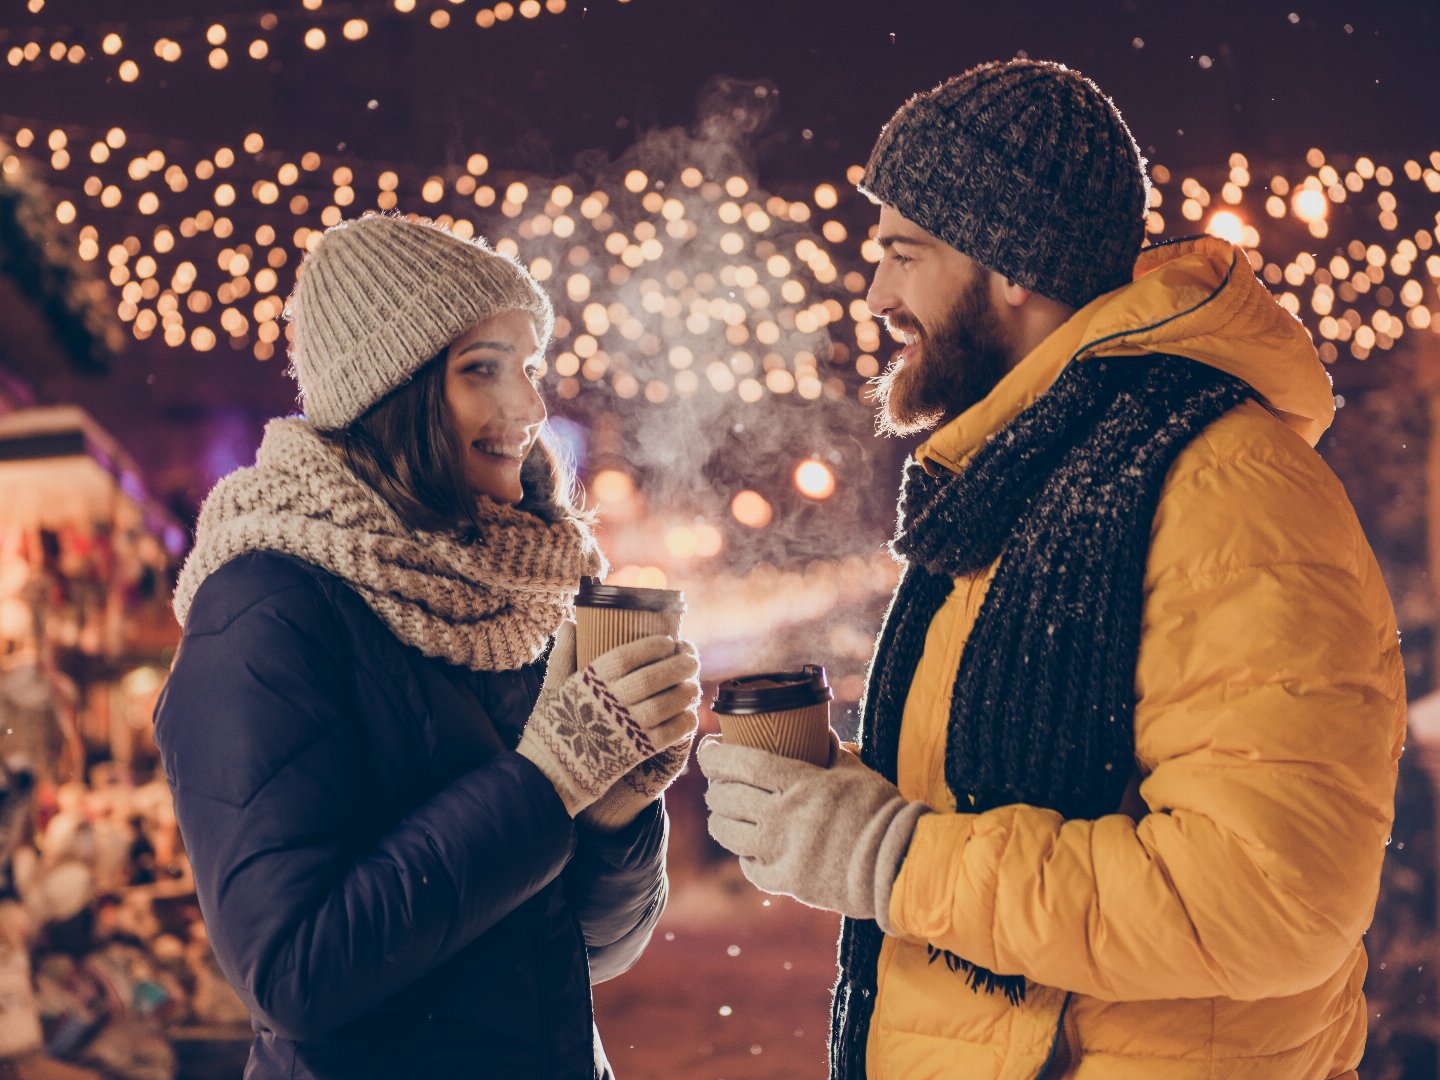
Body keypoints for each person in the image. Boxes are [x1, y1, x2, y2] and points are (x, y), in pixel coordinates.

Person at [699, 59, 1405, 1079]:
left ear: (1010, 264)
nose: (878, 293)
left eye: (905, 253)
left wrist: (891, 857)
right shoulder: (1018, 481)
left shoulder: (1225, 489)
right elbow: (994, 814)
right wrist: (836, 810)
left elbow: (1268, 899)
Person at [153, 214, 701, 1080]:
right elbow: (294, 975)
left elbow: (582, 952)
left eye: (526, 367)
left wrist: (611, 812)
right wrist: (548, 777)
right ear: (389, 391)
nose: (527, 408)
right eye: (479, 369)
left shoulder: (506, 591)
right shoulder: (265, 604)